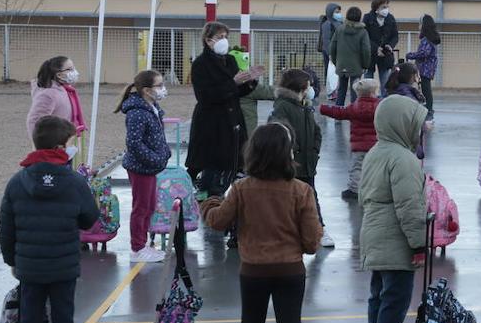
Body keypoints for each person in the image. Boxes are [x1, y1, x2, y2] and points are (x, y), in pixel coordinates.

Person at [201, 123, 321, 323]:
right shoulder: (301, 190)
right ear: (287, 153)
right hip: (290, 269)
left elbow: (217, 222)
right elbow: (312, 242)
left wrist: (209, 203)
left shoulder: (242, 189)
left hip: (253, 270)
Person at [0, 115, 99, 323]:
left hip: (29, 266)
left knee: (29, 321)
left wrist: (12, 259)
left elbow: (6, 226)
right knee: (63, 321)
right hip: (63, 263)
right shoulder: (74, 181)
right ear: (60, 145)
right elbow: (89, 219)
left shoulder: (18, 181)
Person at [358, 95, 429, 323]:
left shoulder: (376, 152)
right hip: (395, 237)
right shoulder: (404, 159)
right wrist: (418, 243)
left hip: (374, 233)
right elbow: (410, 206)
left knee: (379, 297)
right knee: (395, 300)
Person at [187, 23, 261, 194]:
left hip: (232, 120)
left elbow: (238, 92)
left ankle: (218, 197)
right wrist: (233, 83)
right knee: (212, 167)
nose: (224, 41)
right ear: (208, 40)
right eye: (220, 37)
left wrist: (249, 81)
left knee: (231, 164)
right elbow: (205, 96)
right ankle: (209, 201)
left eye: (226, 37)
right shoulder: (200, 64)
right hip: (211, 123)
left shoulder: (230, 60)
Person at [268, 69, 331, 249]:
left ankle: (319, 229)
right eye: (309, 84)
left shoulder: (305, 105)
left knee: (311, 197)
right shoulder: (282, 106)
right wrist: (293, 154)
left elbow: (315, 131)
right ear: (300, 87)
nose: (311, 88)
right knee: (289, 198)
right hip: (292, 164)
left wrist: (314, 150)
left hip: (308, 162)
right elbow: (279, 132)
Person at [117, 70, 172, 263]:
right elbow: (134, 143)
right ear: (147, 90)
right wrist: (154, 159)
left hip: (150, 167)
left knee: (149, 205)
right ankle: (137, 247)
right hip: (141, 168)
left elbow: (157, 137)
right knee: (141, 207)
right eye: (159, 85)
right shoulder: (137, 113)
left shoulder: (152, 107)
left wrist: (164, 153)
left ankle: (143, 243)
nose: (163, 89)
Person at [319, 78, 380, 200]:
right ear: (374, 92)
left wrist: (323, 108)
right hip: (376, 146)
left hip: (358, 146)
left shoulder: (354, 108)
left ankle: (354, 190)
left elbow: (339, 113)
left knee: (356, 168)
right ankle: (375, 189)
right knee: (375, 168)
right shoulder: (380, 107)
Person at [26, 56, 87, 149]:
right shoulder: (48, 94)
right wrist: (38, 146)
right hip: (53, 147)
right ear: (59, 74)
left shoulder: (64, 90)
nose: (74, 72)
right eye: (70, 69)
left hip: (65, 142)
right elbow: (34, 121)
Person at [329, 6, 373, 108]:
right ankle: (354, 112)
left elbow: (332, 47)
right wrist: (365, 65)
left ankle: (338, 113)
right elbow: (366, 50)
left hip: (341, 64)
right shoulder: (362, 32)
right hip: (356, 66)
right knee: (355, 90)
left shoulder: (339, 30)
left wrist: (337, 62)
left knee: (341, 90)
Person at [406, 14, 440, 119]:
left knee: (426, 89)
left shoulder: (426, 40)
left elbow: (424, 53)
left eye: (420, 24)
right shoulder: (430, 39)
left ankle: (429, 109)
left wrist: (410, 55)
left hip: (425, 68)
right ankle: (428, 108)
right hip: (427, 68)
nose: (418, 26)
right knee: (425, 89)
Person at [363, 0, 399, 94]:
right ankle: (366, 100)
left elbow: (395, 36)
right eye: (383, 7)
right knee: (368, 81)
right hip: (370, 53)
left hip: (385, 54)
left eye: (387, 6)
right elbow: (365, 36)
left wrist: (390, 46)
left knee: (385, 80)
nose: (386, 9)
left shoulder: (390, 18)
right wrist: (376, 48)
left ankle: (384, 101)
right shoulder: (367, 18)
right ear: (376, 8)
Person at [318, 3, 343, 89]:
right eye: (336, 12)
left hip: (338, 51)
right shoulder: (328, 24)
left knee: (336, 73)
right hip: (331, 53)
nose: (339, 14)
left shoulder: (339, 23)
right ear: (330, 12)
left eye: (339, 12)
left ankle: (335, 89)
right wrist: (330, 53)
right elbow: (326, 40)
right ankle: (331, 91)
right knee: (331, 73)